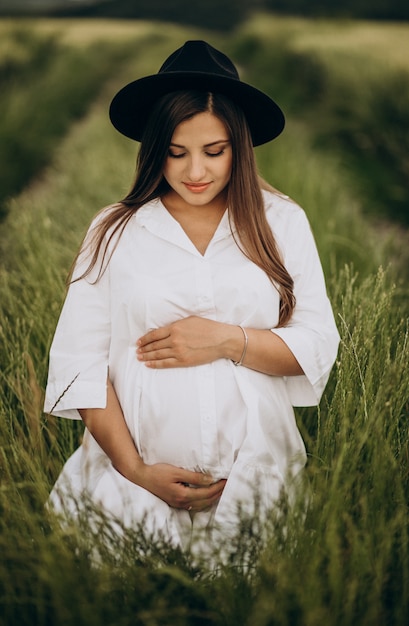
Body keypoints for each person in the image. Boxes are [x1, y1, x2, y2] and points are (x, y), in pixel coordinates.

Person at [44, 40, 340, 553]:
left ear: (240, 148)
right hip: (129, 484)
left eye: (214, 151)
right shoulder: (115, 230)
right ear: (154, 149)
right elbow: (79, 363)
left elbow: (315, 344)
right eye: (176, 153)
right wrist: (136, 470)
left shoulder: (282, 223)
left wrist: (226, 341)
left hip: (254, 478)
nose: (195, 172)